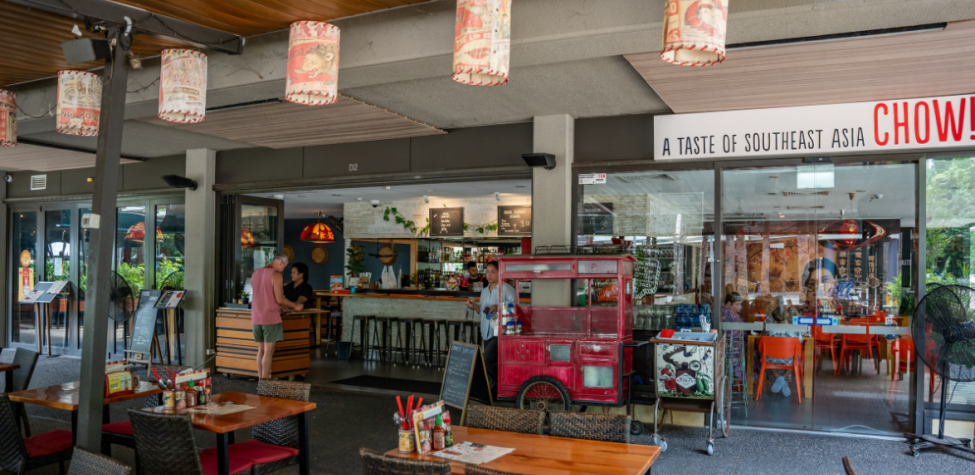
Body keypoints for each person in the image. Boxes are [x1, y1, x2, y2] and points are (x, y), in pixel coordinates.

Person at [465, 261, 516, 394]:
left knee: (487, 359)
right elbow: (482, 310)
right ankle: (496, 390)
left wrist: (500, 307)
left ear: (500, 273)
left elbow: (516, 307)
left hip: (501, 331)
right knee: (492, 361)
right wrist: (474, 306)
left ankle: (502, 382)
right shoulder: (484, 291)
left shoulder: (506, 289)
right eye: (487, 271)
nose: (489, 274)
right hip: (486, 330)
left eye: (493, 272)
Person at [251, 254, 303, 380]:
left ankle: (260, 380)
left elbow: (261, 295)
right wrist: (295, 305)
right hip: (270, 318)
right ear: (281, 263)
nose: (283, 270)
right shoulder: (276, 274)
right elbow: (279, 298)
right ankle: (264, 382)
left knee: (260, 350)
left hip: (256, 317)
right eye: (284, 267)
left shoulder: (256, 273)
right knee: (269, 351)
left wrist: (278, 306)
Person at [763, 295, 803, 398]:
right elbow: (800, 341)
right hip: (789, 359)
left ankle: (779, 379)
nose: (783, 305)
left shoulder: (771, 330)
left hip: (772, 358)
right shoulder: (794, 331)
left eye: (785, 303)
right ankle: (783, 379)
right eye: (781, 302)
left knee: (766, 356)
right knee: (796, 357)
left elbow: (765, 336)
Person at [722, 292, 745, 391]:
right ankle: (744, 381)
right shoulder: (727, 314)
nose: (739, 307)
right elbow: (729, 333)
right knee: (754, 353)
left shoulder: (732, 313)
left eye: (740, 304)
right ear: (728, 303)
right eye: (737, 304)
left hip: (736, 344)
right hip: (731, 347)